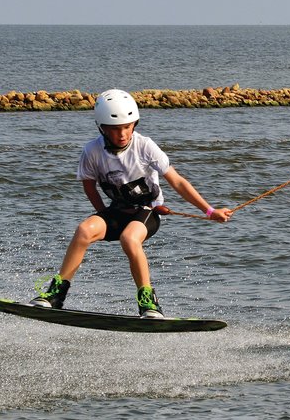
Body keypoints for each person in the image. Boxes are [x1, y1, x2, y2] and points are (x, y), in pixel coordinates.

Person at [31, 89, 232, 318]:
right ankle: (56, 294)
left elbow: (177, 181)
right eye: (115, 129)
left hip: (147, 213)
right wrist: (103, 215)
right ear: (102, 128)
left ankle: (149, 303)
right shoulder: (92, 151)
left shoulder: (145, 146)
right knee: (84, 230)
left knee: (129, 238)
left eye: (128, 126)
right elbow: (89, 186)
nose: (123, 134)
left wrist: (209, 210)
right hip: (116, 211)